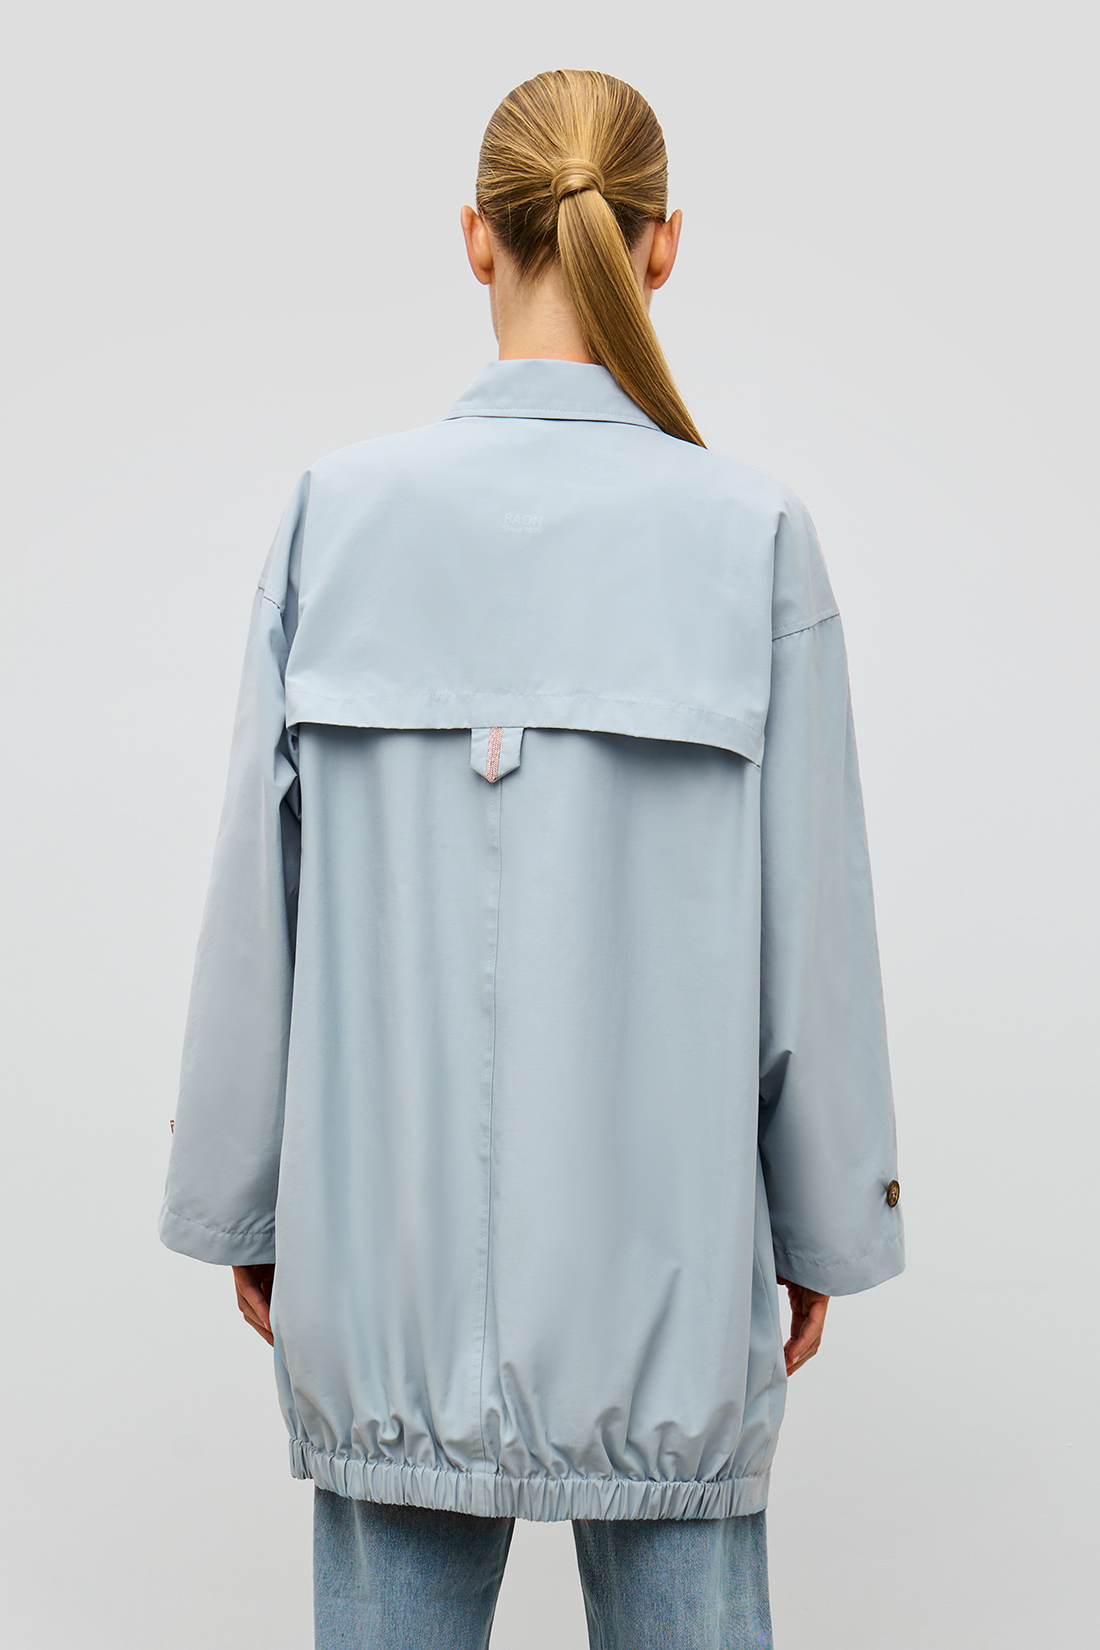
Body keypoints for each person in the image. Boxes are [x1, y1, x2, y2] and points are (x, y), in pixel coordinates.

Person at [159, 67, 904, 1650]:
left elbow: (253, 912)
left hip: (388, 1289)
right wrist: (826, 1222)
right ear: (664, 242)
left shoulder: (333, 517)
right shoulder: (752, 537)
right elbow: (815, 932)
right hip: (671, 1309)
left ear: (474, 237)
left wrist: (247, 1206)